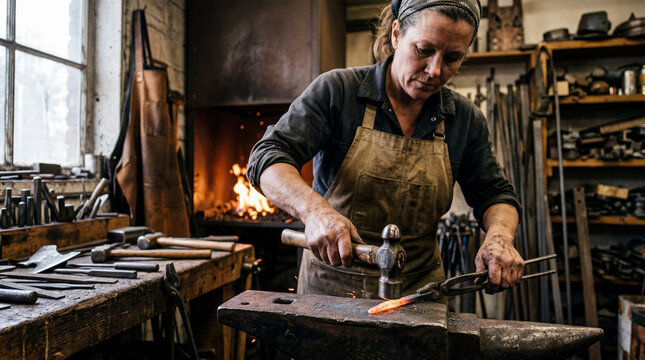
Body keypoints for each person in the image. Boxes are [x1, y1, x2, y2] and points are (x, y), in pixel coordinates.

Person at [247, 0, 525, 299]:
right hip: (331, 290)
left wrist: (500, 236)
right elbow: (267, 158)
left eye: (452, 58)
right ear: (396, 34)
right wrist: (315, 212)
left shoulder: (465, 118)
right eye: (424, 50)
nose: (434, 70)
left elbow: (495, 195)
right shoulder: (338, 91)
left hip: (418, 294)